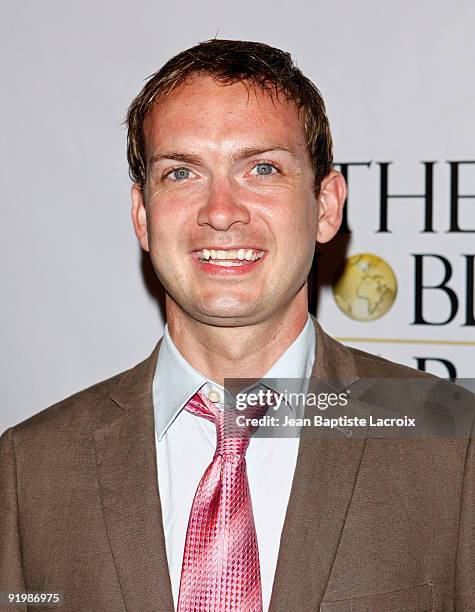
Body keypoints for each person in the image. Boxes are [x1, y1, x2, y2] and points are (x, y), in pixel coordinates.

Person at [0, 39, 473, 612]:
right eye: (181, 173)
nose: (221, 211)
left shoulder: (453, 444)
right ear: (142, 216)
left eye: (262, 168)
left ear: (326, 205)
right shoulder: (31, 467)